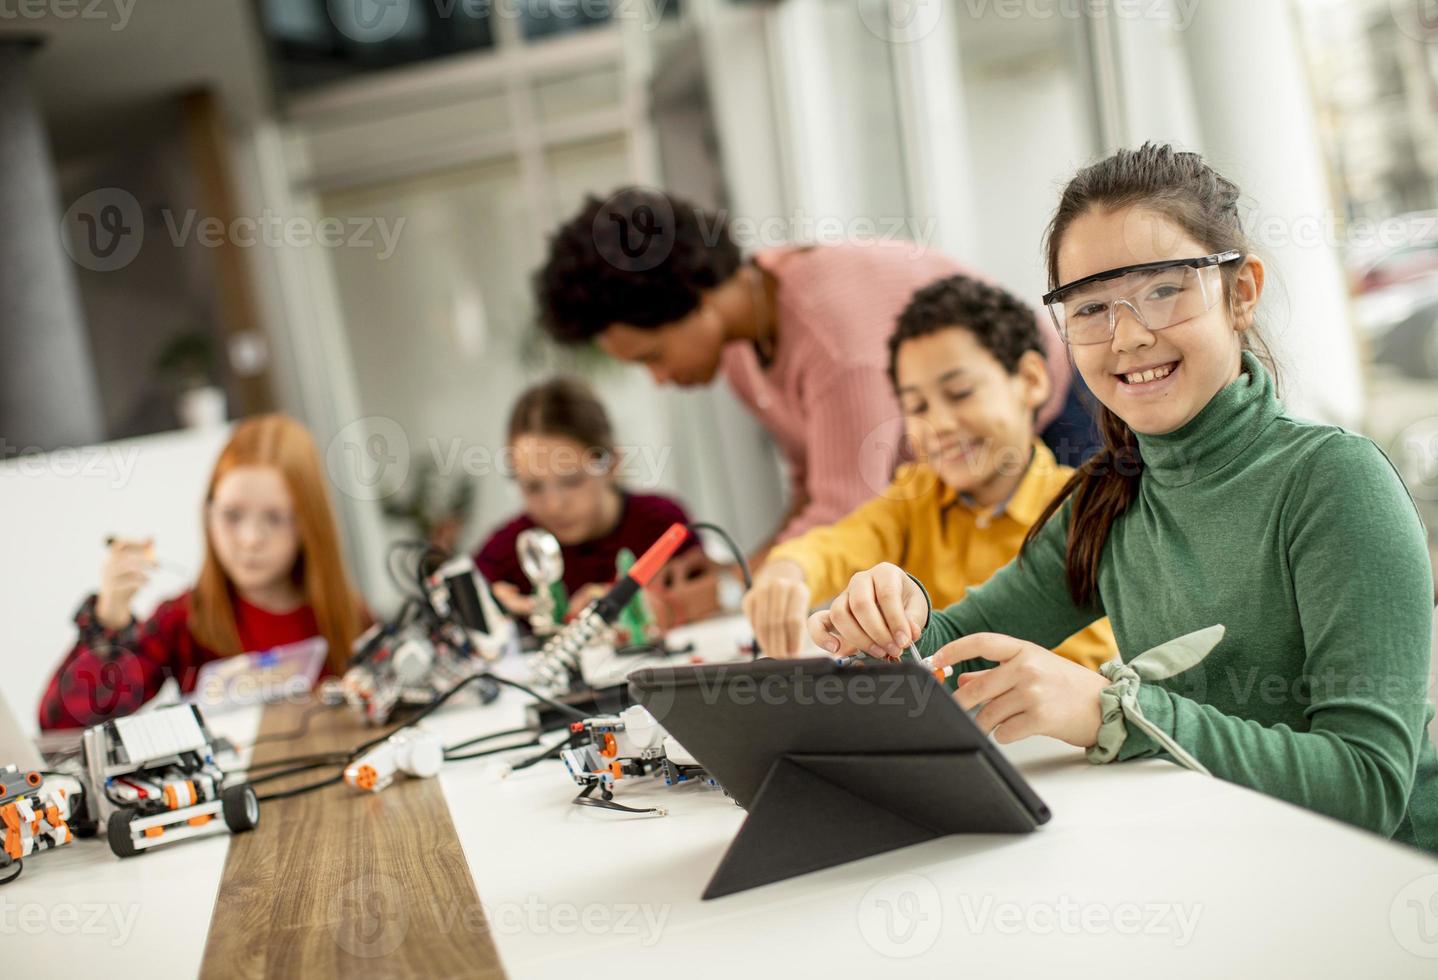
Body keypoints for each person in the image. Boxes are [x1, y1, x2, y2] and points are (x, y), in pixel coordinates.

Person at [805, 143, 1438, 852]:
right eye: (1092, 307)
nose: (1129, 336)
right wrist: (896, 616)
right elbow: (950, 660)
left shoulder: (1335, 482)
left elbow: (1368, 788)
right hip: (1227, 863)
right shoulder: (1108, 500)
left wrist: (1116, 711)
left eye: (1165, 289)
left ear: (1241, 293)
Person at [534, 189, 1088, 557]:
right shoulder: (743, 337)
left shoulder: (831, 341)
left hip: (1056, 421)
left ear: (694, 298)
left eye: (653, 355)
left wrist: (746, 584)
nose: (657, 378)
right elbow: (816, 488)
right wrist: (740, 575)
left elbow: (850, 509)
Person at [743, 275, 1116, 668]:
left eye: (960, 394)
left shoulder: (1080, 512)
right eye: (918, 407)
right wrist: (788, 570)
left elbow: (1077, 665)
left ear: (1030, 380)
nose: (939, 423)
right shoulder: (915, 495)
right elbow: (840, 543)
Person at [39, 415, 368, 730]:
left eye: (274, 517)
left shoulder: (352, 618)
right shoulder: (182, 620)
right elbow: (60, 723)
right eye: (232, 515)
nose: (250, 539)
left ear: (309, 522)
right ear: (208, 513)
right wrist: (108, 620)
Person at [474, 376, 714, 628]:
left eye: (572, 481)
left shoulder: (661, 525)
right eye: (533, 487)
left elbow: (715, 593)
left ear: (612, 463)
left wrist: (646, 605)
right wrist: (487, 610)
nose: (554, 505)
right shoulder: (507, 552)